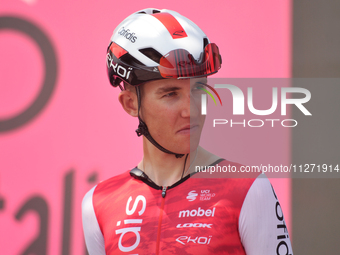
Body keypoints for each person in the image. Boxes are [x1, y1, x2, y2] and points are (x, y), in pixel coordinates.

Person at [82, 8, 293, 255]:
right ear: (131, 103)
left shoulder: (248, 189)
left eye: (198, 89)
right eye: (171, 94)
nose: (191, 110)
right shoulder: (98, 204)